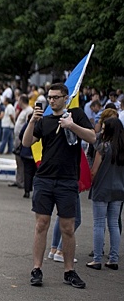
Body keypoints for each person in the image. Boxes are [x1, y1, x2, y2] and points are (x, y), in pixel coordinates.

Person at [22, 83, 95, 288]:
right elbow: (27, 143)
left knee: (68, 228)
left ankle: (69, 271)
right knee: (41, 224)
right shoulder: (44, 120)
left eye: (56, 97)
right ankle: (36, 269)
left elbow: (92, 137)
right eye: (50, 97)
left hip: (67, 179)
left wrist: (71, 126)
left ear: (65, 98)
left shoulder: (76, 114)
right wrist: (32, 122)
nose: (51, 100)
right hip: (44, 178)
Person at [87, 117, 124, 271]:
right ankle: (113, 258)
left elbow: (94, 171)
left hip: (102, 188)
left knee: (99, 223)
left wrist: (88, 181)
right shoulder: (122, 149)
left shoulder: (103, 147)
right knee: (114, 223)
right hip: (119, 189)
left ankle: (97, 259)